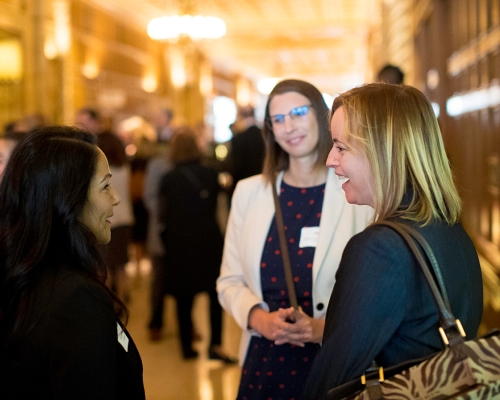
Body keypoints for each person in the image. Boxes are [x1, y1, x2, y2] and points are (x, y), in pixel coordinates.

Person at [302, 83, 483, 399]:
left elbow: (331, 378)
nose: (330, 160)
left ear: (383, 151)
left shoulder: (378, 248)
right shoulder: (449, 226)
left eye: (341, 147)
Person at [216, 79, 372, 399]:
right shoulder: (249, 193)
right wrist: (259, 319)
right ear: (270, 130)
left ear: (321, 115)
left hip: (334, 364)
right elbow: (228, 281)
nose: (289, 127)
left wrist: (322, 329)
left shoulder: (355, 191)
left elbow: (373, 295)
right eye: (278, 119)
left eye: (299, 113)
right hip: (264, 362)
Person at [0, 126, 145, 399]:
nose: (115, 198)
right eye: (105, 186)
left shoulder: (28, 273)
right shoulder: (76, 298)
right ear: (68, 199)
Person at [159, 127, 236, 362]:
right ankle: (215, 345)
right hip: (208, 239)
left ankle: (186, 347)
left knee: (184, 297)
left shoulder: (168, 179)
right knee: (215, 295)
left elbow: (164, 213)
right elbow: (219, 204)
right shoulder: (210, 174)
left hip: (179, 242)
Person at [96, 130, 135, 309]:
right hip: (125, 218)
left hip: (106, 218)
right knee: (120, 264)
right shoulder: (125, 168)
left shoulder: (101, 172)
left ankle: (108, 303)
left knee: (105, 263)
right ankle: (120, 300)